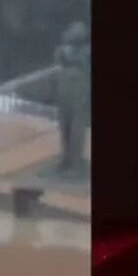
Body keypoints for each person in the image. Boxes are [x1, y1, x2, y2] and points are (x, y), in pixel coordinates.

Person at [53, 21, 90, 177]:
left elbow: (84, 65)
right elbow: (57, 58)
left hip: (79, 94)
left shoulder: (87, 52)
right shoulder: (62, 50)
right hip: (64, 93)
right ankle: (65, 158)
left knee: (77, 129)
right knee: (64, 127)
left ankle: (76, 162)